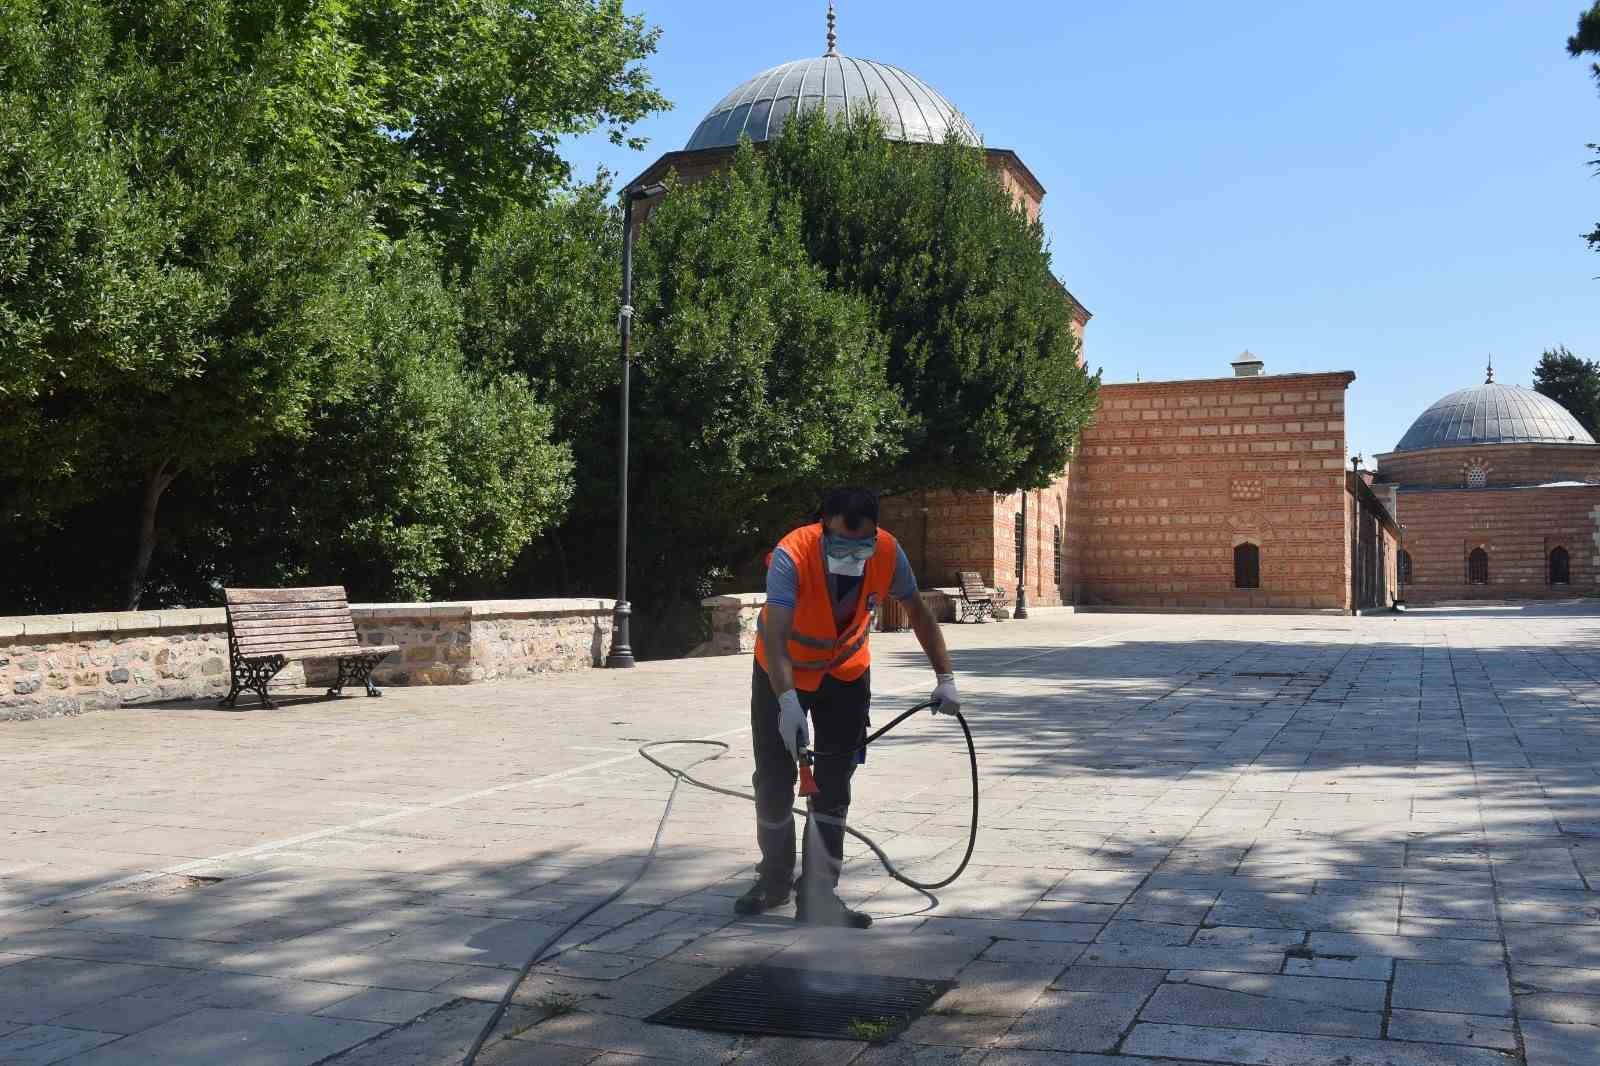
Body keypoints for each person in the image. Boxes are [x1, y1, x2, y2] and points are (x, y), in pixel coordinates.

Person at [737, 486, 959, 928]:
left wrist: (945, 677)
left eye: (863, 542)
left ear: (875, 532)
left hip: (846, 675)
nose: (853, 551)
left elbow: (917, 611)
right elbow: (777, 637)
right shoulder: (792, 555)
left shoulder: (888, 553)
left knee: (834, 783)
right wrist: (787, 703)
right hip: (783, 674)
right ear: (824, 527)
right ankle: (774, 880)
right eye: (842, 541)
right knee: (776, 779)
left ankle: (818, 895)